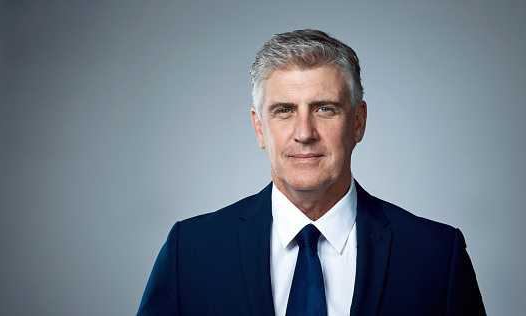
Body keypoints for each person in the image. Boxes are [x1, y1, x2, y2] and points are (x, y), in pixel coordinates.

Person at [136, 29, 486, 316]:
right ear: (260, 129)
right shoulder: (191, 251)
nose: (304, 132)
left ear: (358, 122)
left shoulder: (437, 256)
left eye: (325, 108)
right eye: (284, 110)